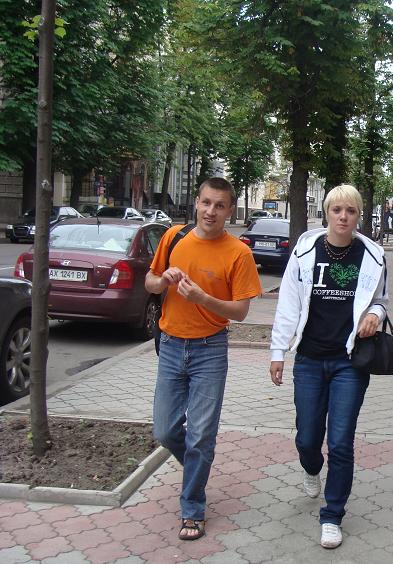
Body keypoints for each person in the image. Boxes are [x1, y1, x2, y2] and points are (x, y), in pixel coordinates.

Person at [269, 184, 388, 549]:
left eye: (350, 210)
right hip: (308, 359)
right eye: (337, 210)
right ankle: (311, 468)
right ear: (327, 213)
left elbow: (380, 300)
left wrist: (375, 315)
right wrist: (278, 351)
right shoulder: (306, 250)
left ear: (358, 215)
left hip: (349, 362)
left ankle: (332, 514)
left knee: (340, 442)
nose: (343, 217)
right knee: (307, 438)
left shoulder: (373, 255)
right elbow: (288, 303)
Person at [145, 177, 262, 541]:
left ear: (230, 211)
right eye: (206, 203)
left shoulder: (238, 253)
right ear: (196, 202)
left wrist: (202, 299)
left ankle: (192, 507)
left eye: (220, 206)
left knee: (200, 436)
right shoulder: (174, 237)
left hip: (210, 350)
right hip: (170, 345)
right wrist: (163, 280)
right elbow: (149, 282)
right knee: (165, 431)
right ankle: (199, 467)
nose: (211, 211)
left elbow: (240, 312)